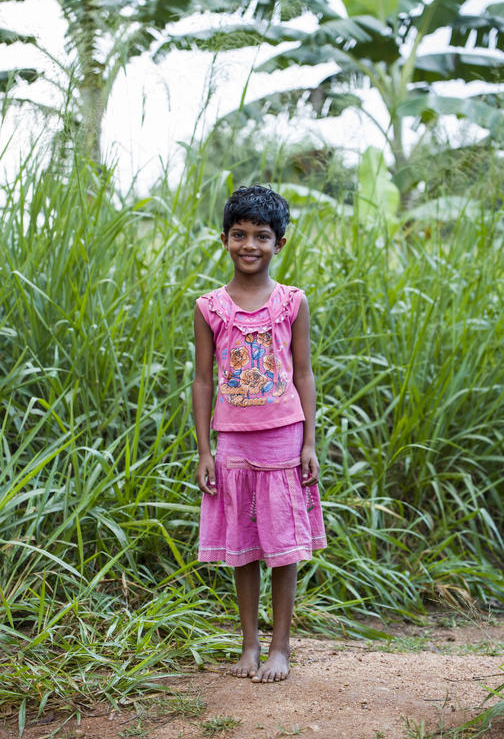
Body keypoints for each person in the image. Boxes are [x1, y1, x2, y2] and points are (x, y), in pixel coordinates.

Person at [192, 185, 327, 684]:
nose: (250, 244)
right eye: (240, 234)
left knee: (283, 545)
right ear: (224, 239)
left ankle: (280, 649)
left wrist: (309, 441)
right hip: (233, 443)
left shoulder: (293, 302)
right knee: (243, 543)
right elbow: (203, 380)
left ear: (280, 243)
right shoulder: (209, 307)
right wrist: (205, 451)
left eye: (262, 236)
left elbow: (304, 372)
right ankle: (248, 644)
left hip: (284, 439)